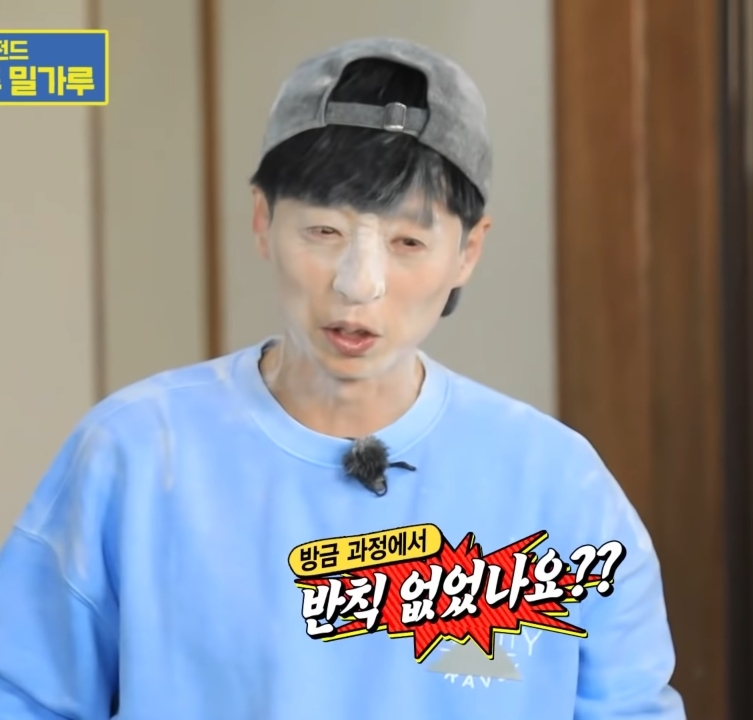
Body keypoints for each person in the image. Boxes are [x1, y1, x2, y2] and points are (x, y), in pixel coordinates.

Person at [0, 37, 684, 719]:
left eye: (408, 241)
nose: (359, 283)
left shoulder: (556, 486)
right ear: (263, 221)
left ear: (467, 251)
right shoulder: (138, 455)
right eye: (324, 232)